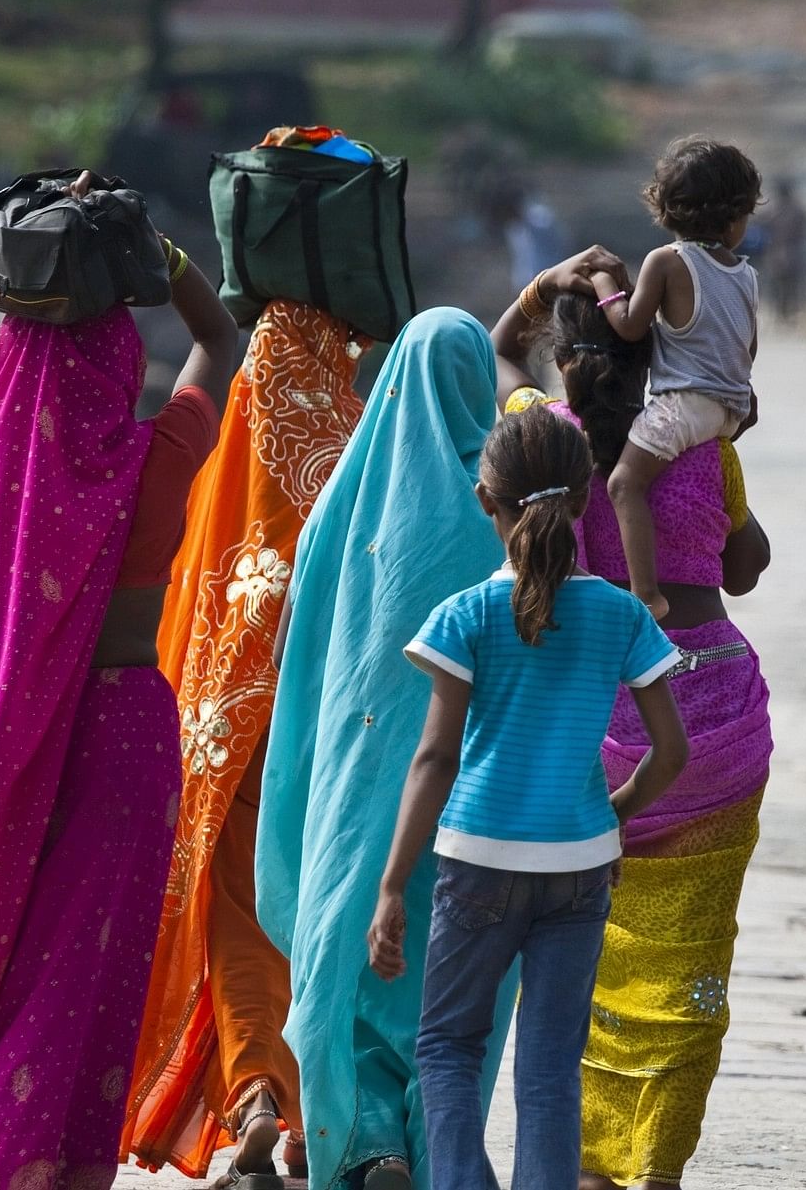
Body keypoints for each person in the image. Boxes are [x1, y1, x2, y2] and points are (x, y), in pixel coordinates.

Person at [0, 223, 239, 1190]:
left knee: (0, 985)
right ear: (122, 363)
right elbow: (221, 339)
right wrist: (162, 260)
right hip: (124, 744)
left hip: (3, 756)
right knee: (80, 994)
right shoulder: (157, 458)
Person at [493, 268, 773, 1190]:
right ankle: (655, 1162)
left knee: (584, 955)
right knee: (694, 950)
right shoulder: (694, 445)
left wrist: (542, 290)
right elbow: (745, 569)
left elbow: (498, 353)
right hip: (715, 722)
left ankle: (588, 1159)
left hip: (590, 725)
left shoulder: (545, 441)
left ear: (564, 361)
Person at [367, 409, 691, 1190]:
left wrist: (389, 884)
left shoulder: (467, 615)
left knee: (446, 1047)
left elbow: (436, 757)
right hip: (579, 868)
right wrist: (609, 814)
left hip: (476, 858)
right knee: (549, 1066)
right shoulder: (620, 614)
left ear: (487, 500)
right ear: (586, 500)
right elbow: (670, 752)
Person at [255, 308, 507, 1190]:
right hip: (468, 793)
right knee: (448, 981)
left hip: (359, 780)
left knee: (346, 942)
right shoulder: (501, 506)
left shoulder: (345, 494)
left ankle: (365, 1138)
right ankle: (433, 1146)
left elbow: (290, 646)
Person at [124, 291, 370, 1187]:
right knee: (321, 923)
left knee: (239, 919)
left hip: (232, 728)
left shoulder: (223, 465)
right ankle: (314, 1122)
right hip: (334, 735)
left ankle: (257, 1094)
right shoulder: (363, 449)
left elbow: (191, 593)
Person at [589, 137, 761, 624]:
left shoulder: (667, 262)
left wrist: (604, 282)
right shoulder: (746, 274)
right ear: (733, 216)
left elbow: (629, 326)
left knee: (624, 484)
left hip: (684, 406)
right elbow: (747, 350)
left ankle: (646, 597)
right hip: (732, 407)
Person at [761, 176, 806, 327]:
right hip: (789, 254)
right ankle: (786, 316)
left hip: (781, 254)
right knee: (785, 288)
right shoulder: (796, 210)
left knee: (785, 288)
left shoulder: (777, 211)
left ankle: (786, 316)